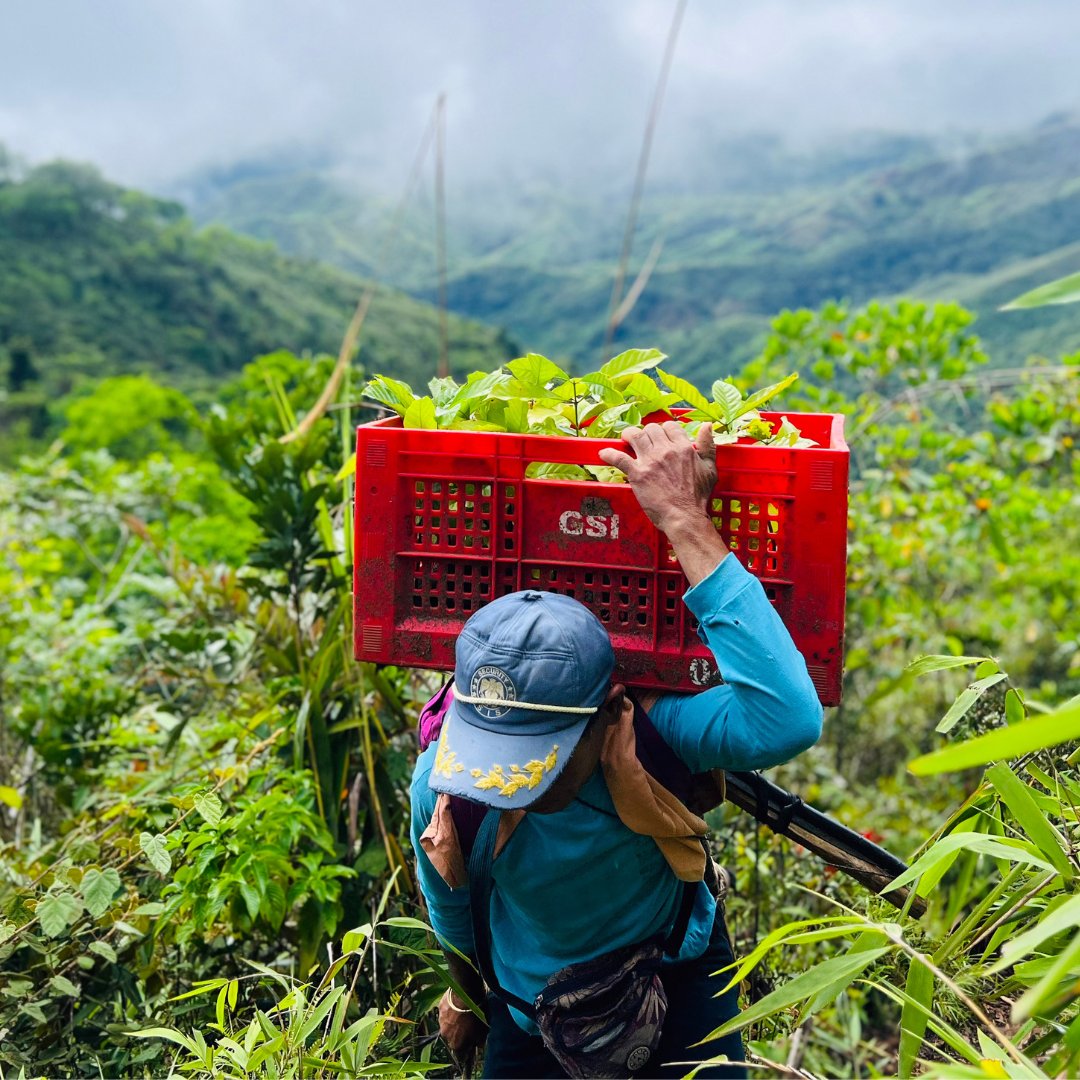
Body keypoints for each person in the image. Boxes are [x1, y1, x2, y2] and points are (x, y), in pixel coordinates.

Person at [409, 420, 824, 1078]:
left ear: (609, 716)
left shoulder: (653, 735)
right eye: (497, 749)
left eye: (538, 756)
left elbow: (788, 718)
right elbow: (453, 905)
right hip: (528, 1007)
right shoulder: (447, 782)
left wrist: (683, 517)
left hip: (674, 971)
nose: (509, 781)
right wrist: (467, 998)